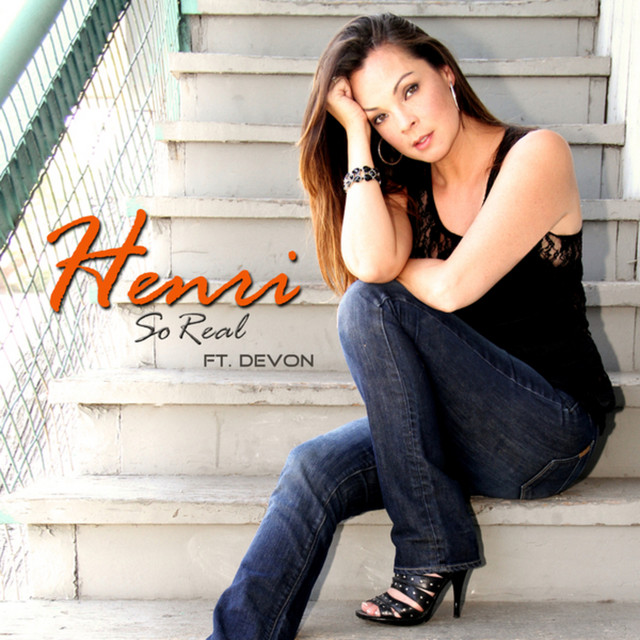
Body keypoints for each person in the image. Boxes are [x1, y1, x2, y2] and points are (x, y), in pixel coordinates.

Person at [206, 13, 615, 639]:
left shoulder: (535, 154)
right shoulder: (403, 186)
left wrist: (398, 272)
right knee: (312, 467)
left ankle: (431, 547)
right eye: (379, 116)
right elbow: (371, 263)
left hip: (552, 431)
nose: (406, 123)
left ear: (446, 71)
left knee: (368, 304)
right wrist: (355, 137)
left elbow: (448, 288)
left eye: (410, 90)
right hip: (456, 433)